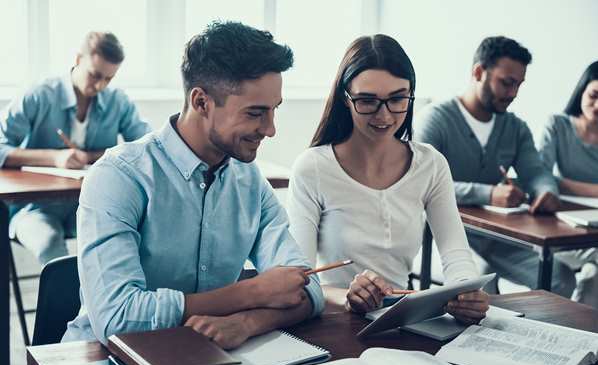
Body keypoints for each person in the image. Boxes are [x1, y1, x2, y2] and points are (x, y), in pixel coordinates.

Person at [62, 21, 324, 347]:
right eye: (256, 113)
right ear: (201, 102)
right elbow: (118, 317)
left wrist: (246, 323)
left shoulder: (250, 181)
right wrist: (251, 291)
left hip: (206, 357)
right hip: (100, 361)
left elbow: (307, 286)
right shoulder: (118, 176)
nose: (270, 129)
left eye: (273, 111)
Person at [286, 34, 488, 324]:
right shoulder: (313, 168)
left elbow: (456, 255)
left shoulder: (430, 164)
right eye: (367, 101)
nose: (384, 115)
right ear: (346, 99)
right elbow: (300, 278)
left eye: (397, 99)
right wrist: (345, 296)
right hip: (333, 322)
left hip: (403, 320)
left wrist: (467, 292)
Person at [415, 36, 575, 296]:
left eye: (519, 85)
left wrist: (546, 191)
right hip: (438, 237)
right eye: (507, 83)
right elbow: (420, 184)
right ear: (478, 72)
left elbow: (537, 173)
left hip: (498, 239)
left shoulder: (516, 128)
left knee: (561, 278)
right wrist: (488, 194)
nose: (513, 93)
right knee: (478, 283)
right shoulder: (435, 120)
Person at [0, 32, 151, 265]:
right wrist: (55, 158)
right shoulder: (39, 94)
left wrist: (90, 156)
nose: (100, 85)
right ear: (78, 59)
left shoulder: (118, 101)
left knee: (129, 238)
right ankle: (70, 301)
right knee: (49, 242)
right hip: (34, 208)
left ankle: (109, 299)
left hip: (93, 204)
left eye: (108, 79)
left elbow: (144, 146)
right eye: (95, 75)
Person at [539, 61, 598, 307]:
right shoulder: (558, 125)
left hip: (594, 227)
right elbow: (540, 174)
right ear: (581, 90)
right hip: (565, 226)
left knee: (594, 276)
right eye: (594, 95)